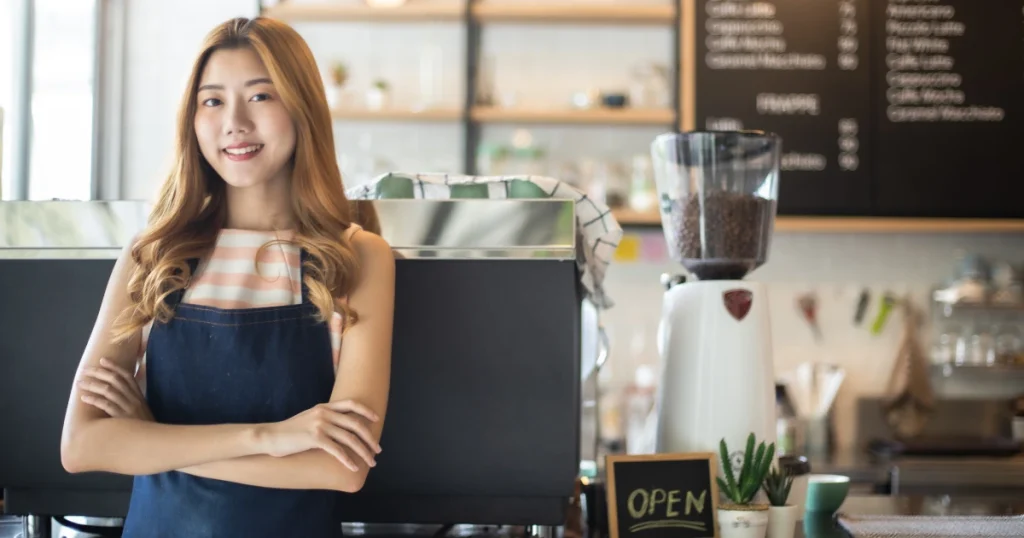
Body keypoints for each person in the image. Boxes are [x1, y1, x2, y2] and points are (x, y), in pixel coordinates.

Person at [58, 16, 395, 538]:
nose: (234, 122)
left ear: (302, 107)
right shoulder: (152, 255)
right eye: (212, 101)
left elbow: (341, 468)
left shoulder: (358, 258)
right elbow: (81, 446)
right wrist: (269, 438)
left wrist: (152, 439)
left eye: (260, 96)